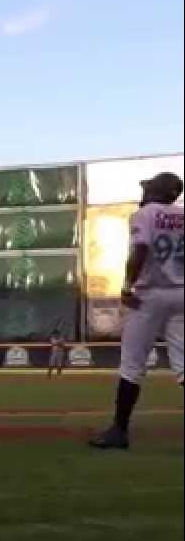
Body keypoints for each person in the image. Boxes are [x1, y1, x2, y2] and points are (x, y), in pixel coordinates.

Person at [90, 172, 184, 449]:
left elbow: (140, 249)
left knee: (132, 364)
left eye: (148, 187)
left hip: (150, 295)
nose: (144, 191)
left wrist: (127, 286)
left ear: (157, 190)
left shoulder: (144, 214)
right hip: (182, 293)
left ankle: (119, 431)